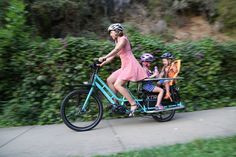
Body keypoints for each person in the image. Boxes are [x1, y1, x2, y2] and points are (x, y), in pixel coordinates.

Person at [98, 23, 147, 116]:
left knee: (117, 84)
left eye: (111, 32)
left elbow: (116, 50)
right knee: (110, 80)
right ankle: (115, 102)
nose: (110, 35)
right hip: (124, 67)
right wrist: (102, 63)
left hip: (131, 66)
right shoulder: (117, 41)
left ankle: (133, 104)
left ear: (116, 32)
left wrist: (104, 57)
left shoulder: (123, 39)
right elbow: (113, 56)